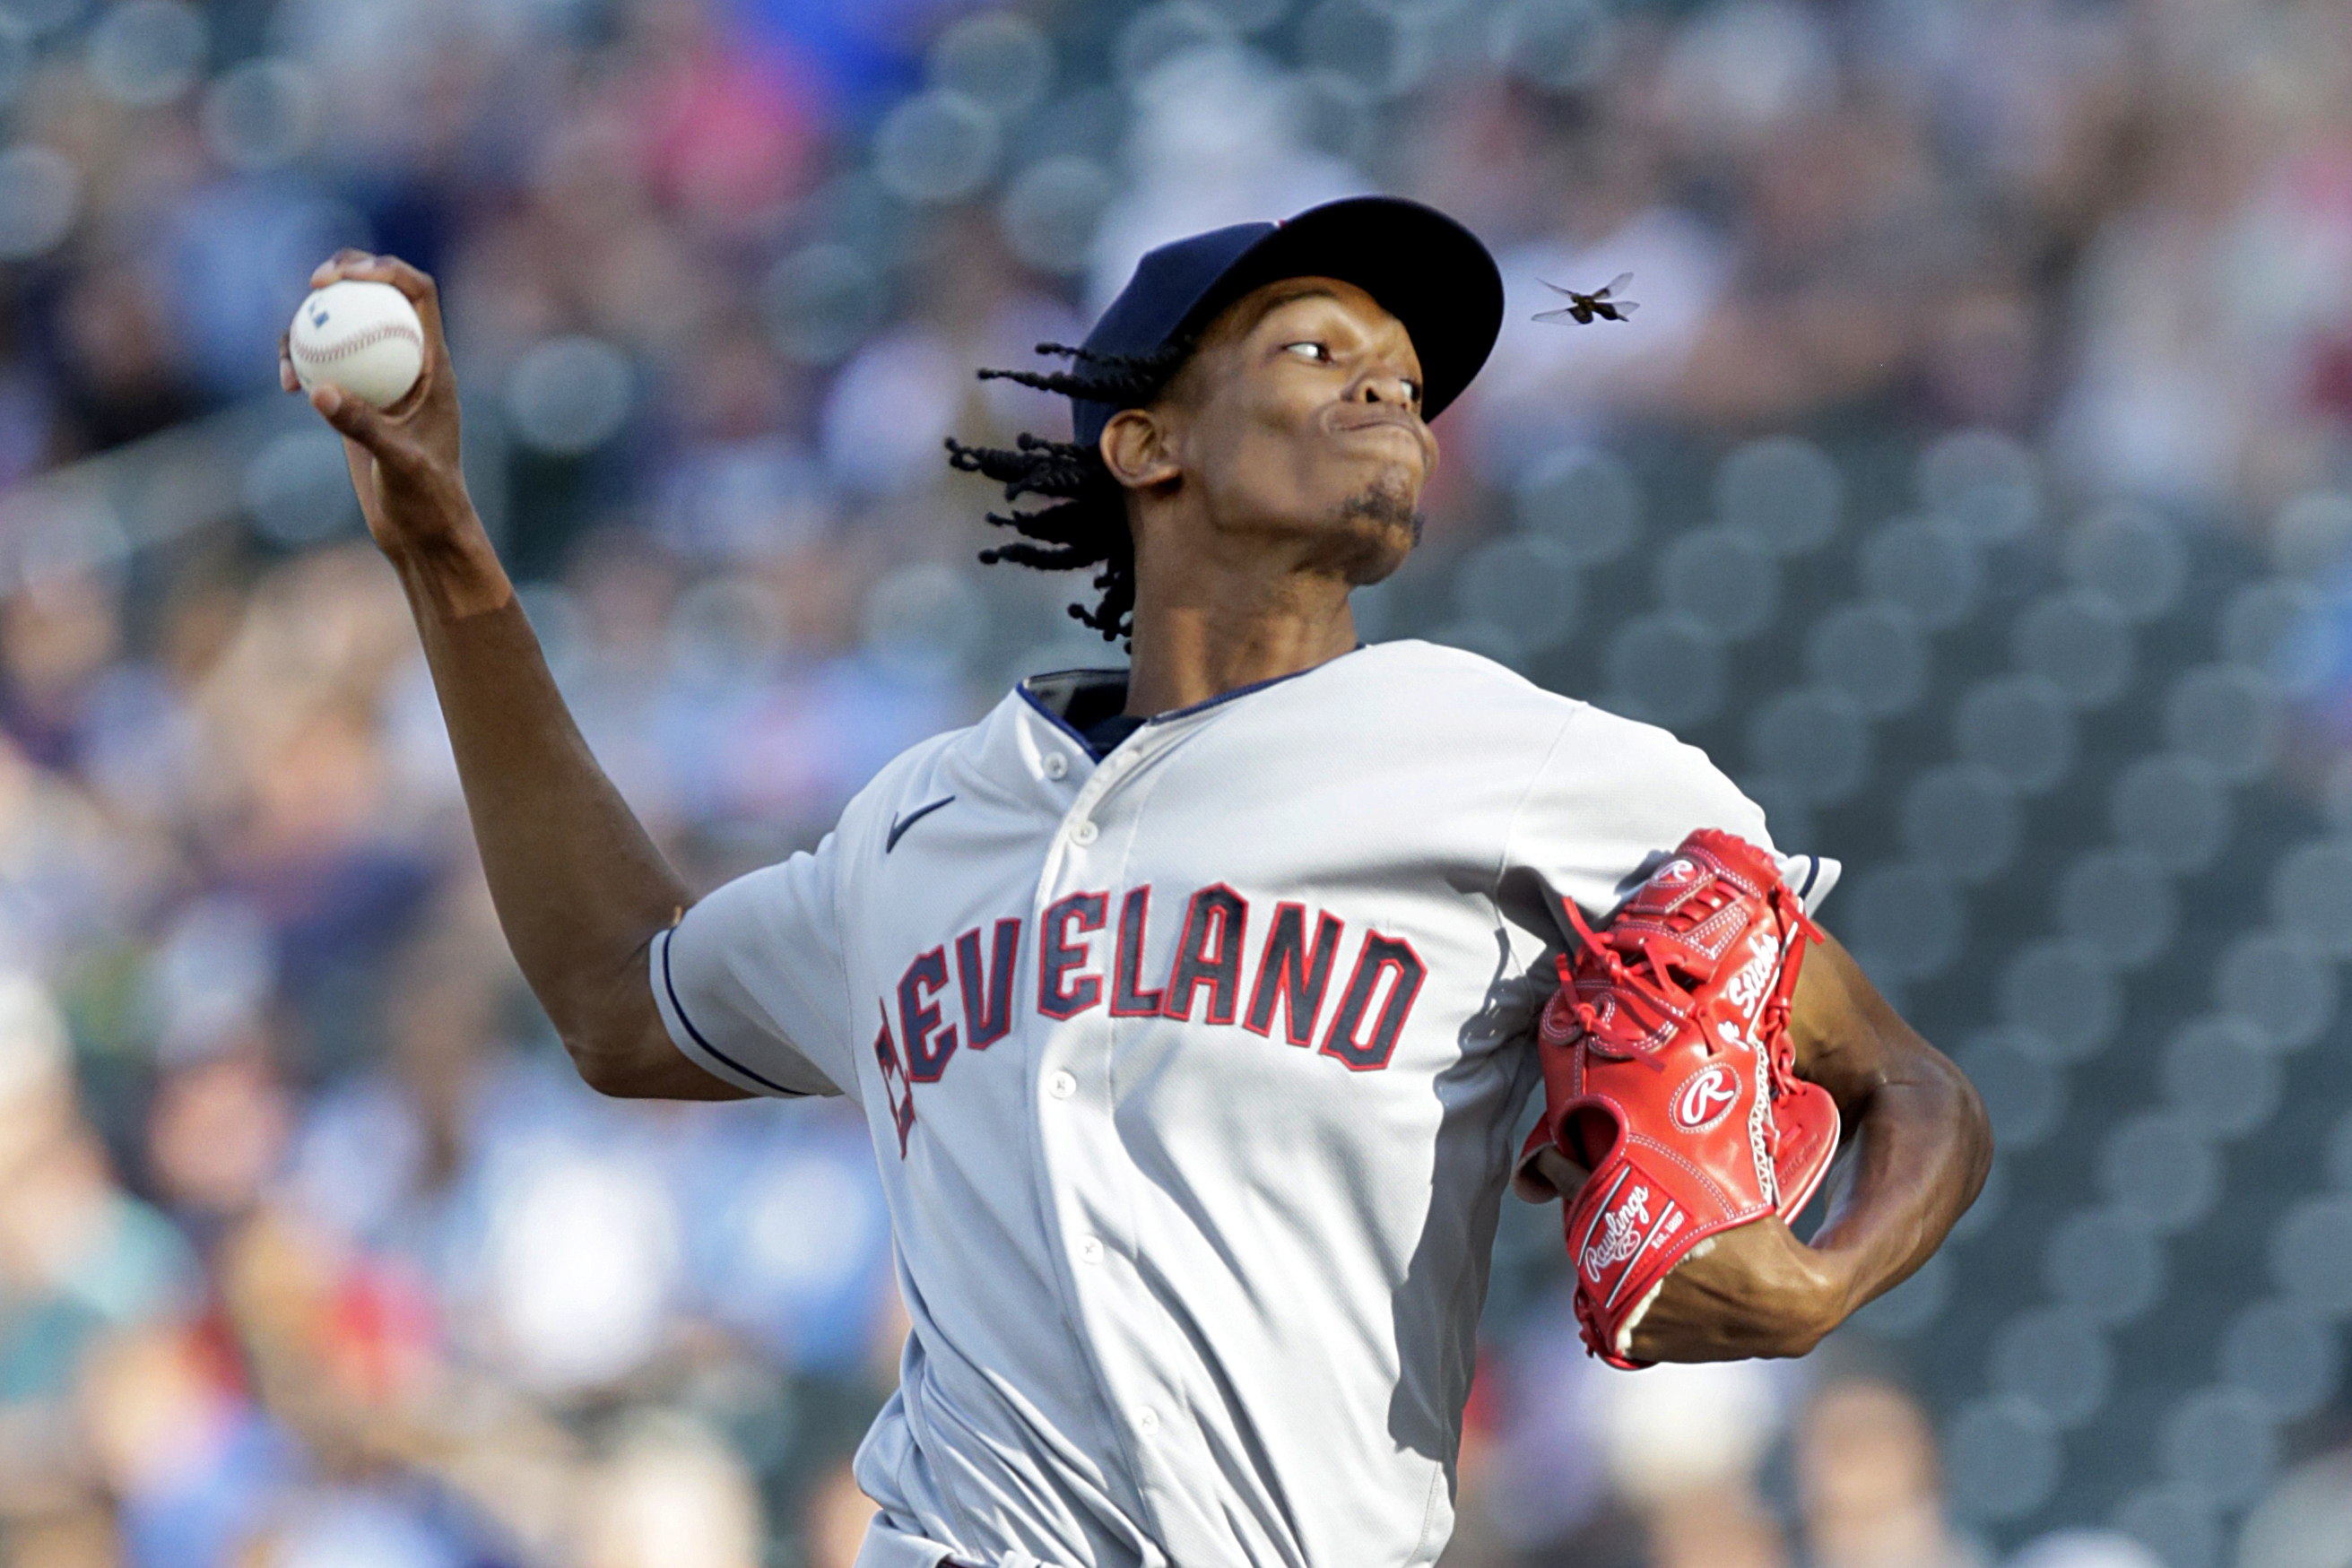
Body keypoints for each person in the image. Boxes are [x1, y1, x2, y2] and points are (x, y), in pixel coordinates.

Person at [282, 195, 1990, 1568]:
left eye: (1407, 372)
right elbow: (617, 993)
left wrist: (1832, 1270)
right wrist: (444, 544)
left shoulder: (1521, 762)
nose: (1392, 386)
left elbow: (1908, 1079)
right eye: (1321, 346)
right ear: (1148, 446)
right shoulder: (920, 825)